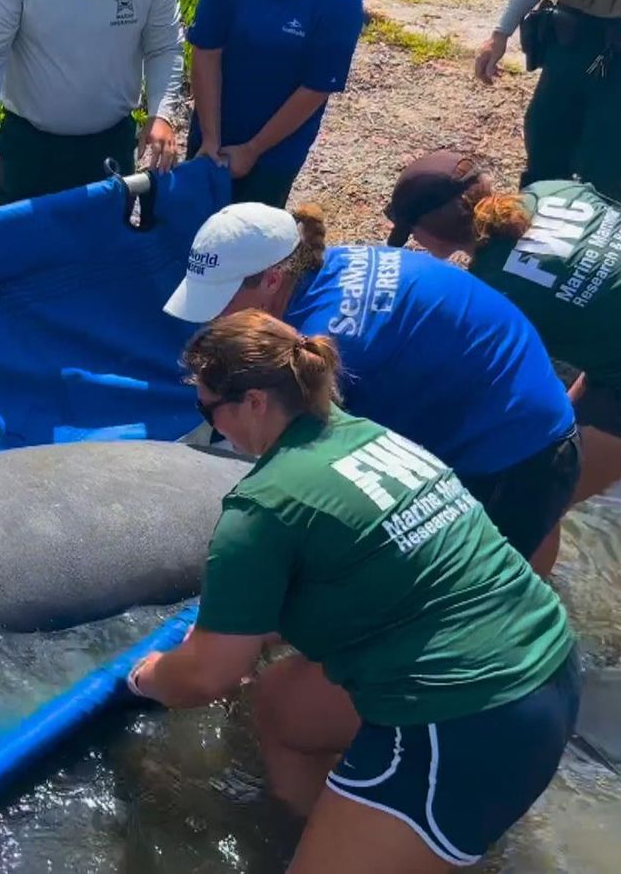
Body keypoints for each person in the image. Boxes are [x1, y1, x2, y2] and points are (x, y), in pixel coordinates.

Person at [124, 310, 581, 872]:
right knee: (282, 705)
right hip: (548, 666)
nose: (214, 429)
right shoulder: (375, 438)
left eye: (207, 410)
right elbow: (385, 577)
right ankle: (321, 833)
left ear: (255, 403)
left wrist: (149, 674)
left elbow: (206, 677)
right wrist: (239, 629)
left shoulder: (261, 507)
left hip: (463, 723)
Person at [162, 203, 581, 573]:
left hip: (515, 452)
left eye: (220, 299)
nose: (214, 316)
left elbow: (314, 480)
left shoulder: (325, 343)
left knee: (481, 604)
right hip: (534, 408)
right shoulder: (328, 264)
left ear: (272, 280)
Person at [384, 149, 621, 559]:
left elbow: (485, 386)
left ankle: (528, 616)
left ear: (433, 235)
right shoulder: (552, 190)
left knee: (539, 502)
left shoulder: (496, 287)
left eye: (414, 234)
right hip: (611, 361)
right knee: (559, 444)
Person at [0, 0, 186, 207]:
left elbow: (165, 47)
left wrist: (161, 115)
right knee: (23, 243)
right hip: (29, 152)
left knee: (106, 242)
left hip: (112, 147)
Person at [185, 0, 364, 207]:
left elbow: (316, 87)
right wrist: (210, 139)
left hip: (277, 147)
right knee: (190, 222)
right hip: (213, 127)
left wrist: (253, 149)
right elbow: (207, 50)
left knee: (251, 233)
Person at [476, 0, 621, 199]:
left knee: (606, 165)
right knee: (546, 143)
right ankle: (530, 223)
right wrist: (501, 32)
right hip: (573, 39)